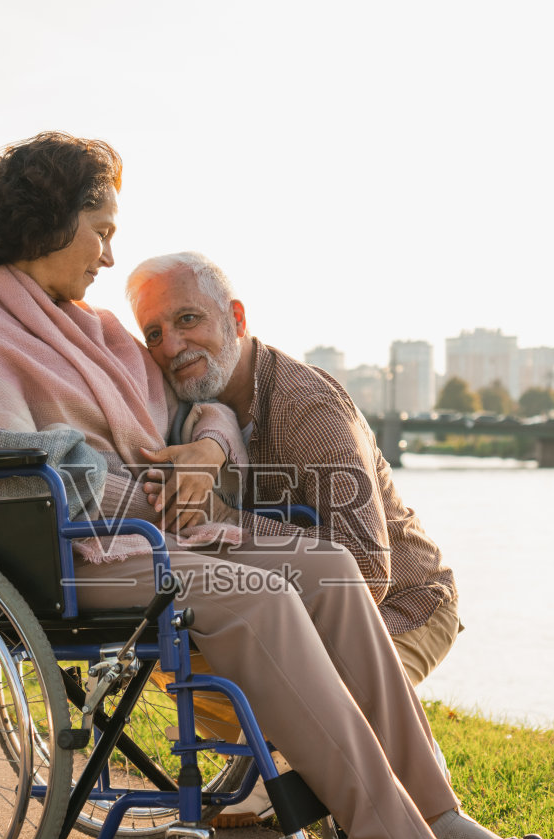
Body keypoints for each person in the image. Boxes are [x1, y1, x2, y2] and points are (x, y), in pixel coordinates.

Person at [0, 132, 549, 839]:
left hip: (146, 535)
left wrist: (206, 449)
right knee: (257, 596)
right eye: (102, 228)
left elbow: (198, 410)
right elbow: (17, 468)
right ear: (51, 216)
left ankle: (433, 813)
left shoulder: (96, 329)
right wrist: (160, 489)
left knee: (326, 565)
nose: (109, 255)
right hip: (62, 555)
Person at [128, 252, 461, 688]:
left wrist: (225, 521)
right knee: (173, 667)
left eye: (188, 319)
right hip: (283, 616)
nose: (171, 346)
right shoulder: (184, 412)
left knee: (332, 706)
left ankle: (401, 756)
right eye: (154, 333)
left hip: (401, 606)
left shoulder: (307, 409)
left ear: (237, 319)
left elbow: (367, 569)